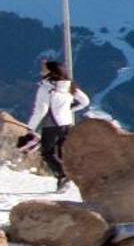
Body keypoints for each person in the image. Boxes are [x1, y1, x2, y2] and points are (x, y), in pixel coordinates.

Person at [25, 59, 89, 190]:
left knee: (47, 153)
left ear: (51, 72)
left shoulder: (46, 88)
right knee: (60, 154)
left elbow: (40, 111)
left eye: (44, 69)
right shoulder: (70, 86)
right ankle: (62, 182)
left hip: (51, 125)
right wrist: (70, 109)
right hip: (67, 124)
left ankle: (64, 176)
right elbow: (85, 101)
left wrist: (30, 128)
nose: (41, 71)